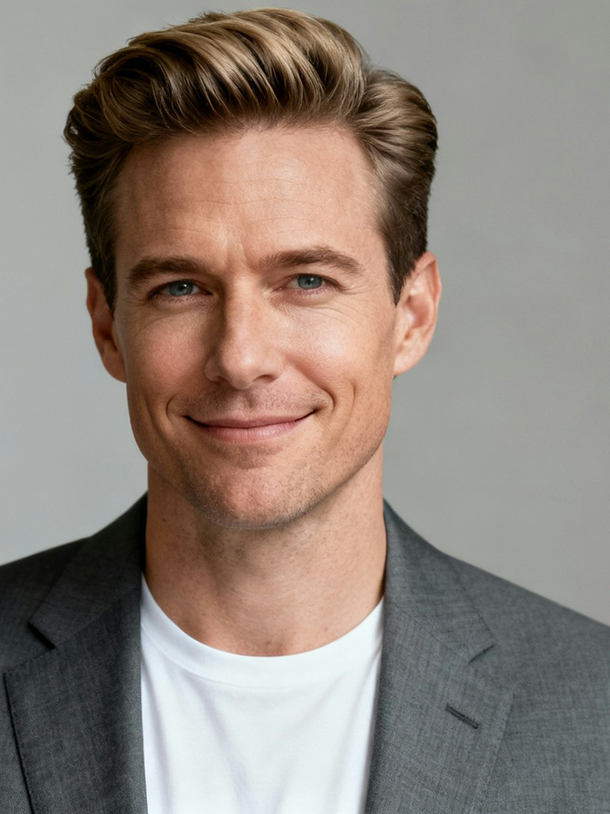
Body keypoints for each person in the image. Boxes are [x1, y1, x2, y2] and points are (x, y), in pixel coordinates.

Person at [1, 8, 608, 813]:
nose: (240, 357)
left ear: (412, 314)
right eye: (180, 287)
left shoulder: (592, 710)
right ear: (108, 325)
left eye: (307, 281)